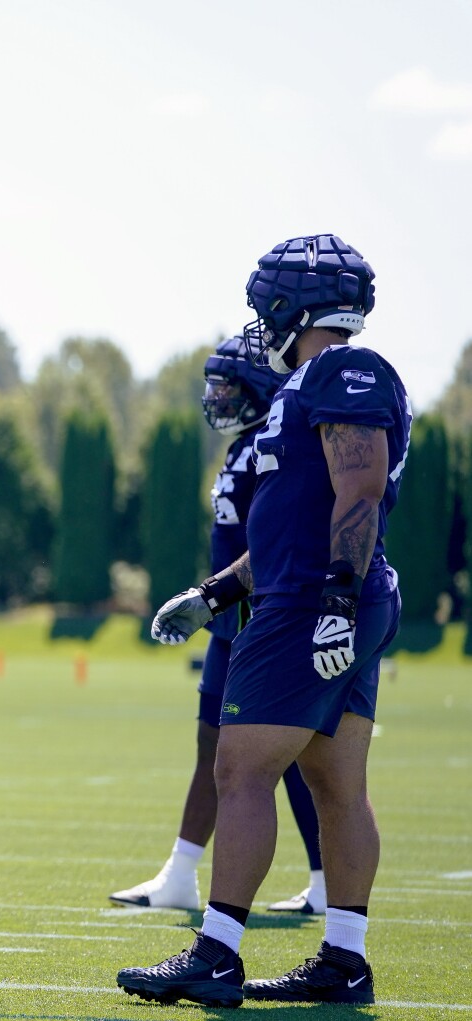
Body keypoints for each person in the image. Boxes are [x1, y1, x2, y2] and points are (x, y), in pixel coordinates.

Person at [120, 234, 407, 1007]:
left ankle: (216, 953)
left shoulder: (345, 369)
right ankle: (345, 958)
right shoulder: (306, 384)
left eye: (264, 304)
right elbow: (288, 524)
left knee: (241, 769)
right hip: (315, 591)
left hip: (314, 601)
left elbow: (362, 489)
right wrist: (211, 593)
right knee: (335, 781)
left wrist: (336, 606)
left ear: (288, 305)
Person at [110, 336, 326, 915]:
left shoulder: (275, 443)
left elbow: (279, 537)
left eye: (226, 384)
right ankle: (180, 875)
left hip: (262, 621)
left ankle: (325, 879)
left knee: (289, 756)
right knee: (215, 748)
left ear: (259, 386)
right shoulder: (242, 447)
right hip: (228, 622)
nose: (216, 396)